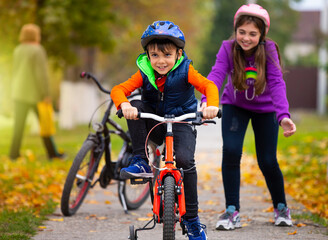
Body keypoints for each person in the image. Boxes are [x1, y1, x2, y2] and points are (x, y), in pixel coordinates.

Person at [111, 20, 219, 240]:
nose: (161, 61)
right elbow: (119, 89)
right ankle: (140, 160)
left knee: (186, 161)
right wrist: (124, 104)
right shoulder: (143, 72)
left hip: (182, 122)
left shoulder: (186, 70)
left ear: (179, 54)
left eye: (167, 55)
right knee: (137, 105)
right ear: (148, 56)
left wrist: (211, 105)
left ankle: (192, 219)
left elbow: (209, 86)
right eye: (155, 56)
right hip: (156, 122)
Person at [201, 4, 296, 230]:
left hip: (267, 110)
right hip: (236, 106)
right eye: (241, 32)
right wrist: (209, 101)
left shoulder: (269, 49)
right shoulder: (228, 48)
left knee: (267, 160)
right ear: (235, 30)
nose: (246, 38)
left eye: (252, 34)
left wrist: (283, 115)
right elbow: (216, 74)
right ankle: (232, 211)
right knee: (232, 153)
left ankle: (281, 207)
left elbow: (276, 82)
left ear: (262, 34)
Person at [9, 23, 64, 160]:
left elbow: (14, 72)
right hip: (35, 94)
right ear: (36, 35)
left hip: (19, 93)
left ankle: (13, 154)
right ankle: (52, 154)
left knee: (18, 127)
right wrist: (45, 93)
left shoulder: (18, 50)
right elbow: (41, 74)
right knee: (45, 124)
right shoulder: (37, 50)